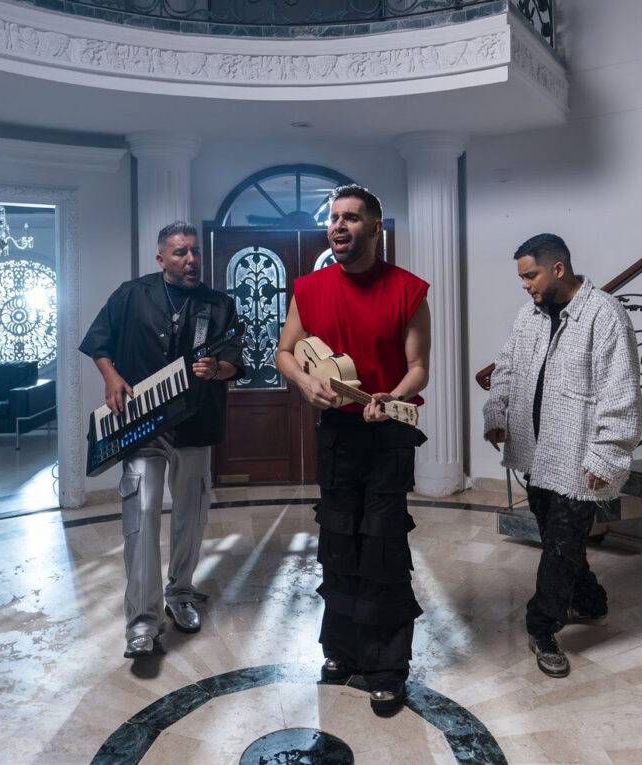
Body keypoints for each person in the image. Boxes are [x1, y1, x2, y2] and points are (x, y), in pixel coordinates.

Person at [276, 185, 430, 716]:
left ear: (375, 226)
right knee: (338, 540)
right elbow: (285, 351)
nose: (339, 226)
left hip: (388, 432)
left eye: (352, 217)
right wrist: (304, 383)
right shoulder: (309, 288)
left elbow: (419, 368)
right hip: (337, 433)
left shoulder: (409, 290)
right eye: (334, 218)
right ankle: (341, 650)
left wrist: (393, 396)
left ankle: (387, 667)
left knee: (382, 547)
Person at [80, 221, 244, 659]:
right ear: (161, 259)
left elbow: (235, 360)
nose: (191, 260)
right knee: (142, 512)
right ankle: (141, 620)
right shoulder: (131, 294)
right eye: (180, 253)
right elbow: (99, 344)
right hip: (142, 425)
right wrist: (110, 377)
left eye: (195, 252)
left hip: (196, 423)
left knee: (191, 515)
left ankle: (181, 593)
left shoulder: (220, 305)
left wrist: (219, 370)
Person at [482, 233, 642, 678]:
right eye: (521, 277)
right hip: (536, 453)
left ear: (558, 269)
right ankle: (589, 600)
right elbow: (506, 368)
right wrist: (497, 412)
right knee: (560, 540)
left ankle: (542, 627)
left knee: (560, 543)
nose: (525, 285)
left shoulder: (604, 315)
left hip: (578, 457)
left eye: (530, 275)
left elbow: (621, 391)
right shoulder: (528, 317)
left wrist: (607, 455)